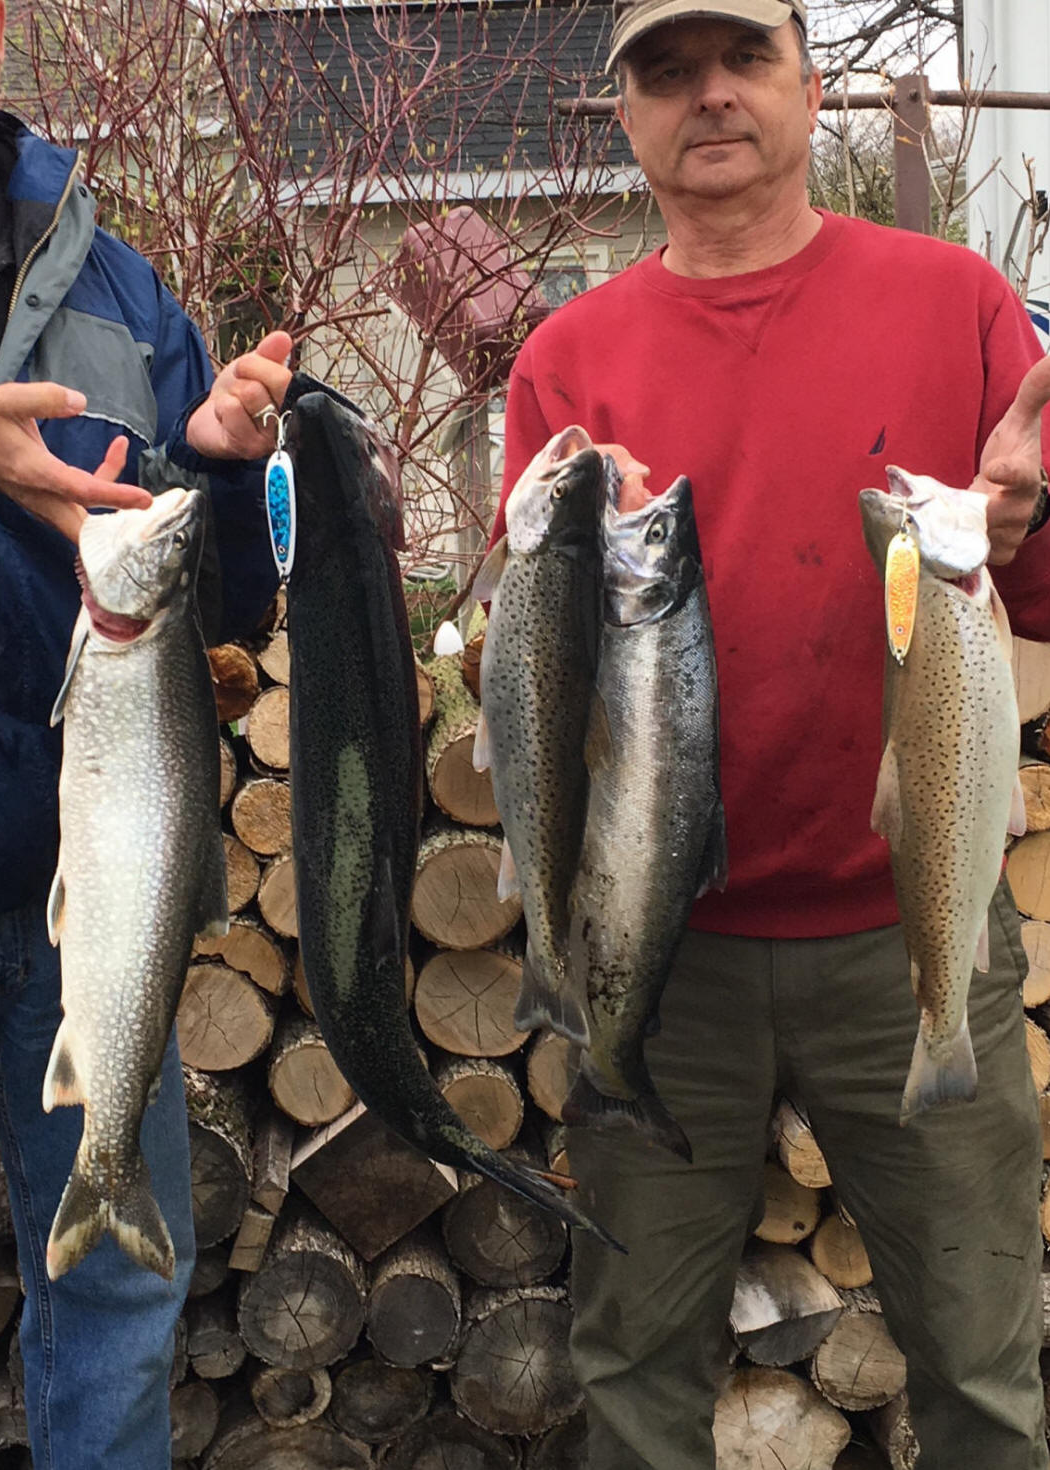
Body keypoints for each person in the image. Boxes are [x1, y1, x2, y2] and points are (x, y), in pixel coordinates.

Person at [491, 2, 1050, 1466]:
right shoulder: (566, 360)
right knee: (633, 1379)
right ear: (625, 116)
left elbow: (1041, 591)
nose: (712, 97)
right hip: (656, 954)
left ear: (809, 85)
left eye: (743, 59)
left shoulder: (954, 302)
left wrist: (1029, 515)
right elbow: (534, 670)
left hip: (909, 936)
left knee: (986, 1373)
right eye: (668, 73)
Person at [0, 1, 294, 1465]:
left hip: (95, 884)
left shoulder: (121, 287)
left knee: (117, 1294)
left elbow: (218, 596)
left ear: (3, 23)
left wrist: (220, 468)